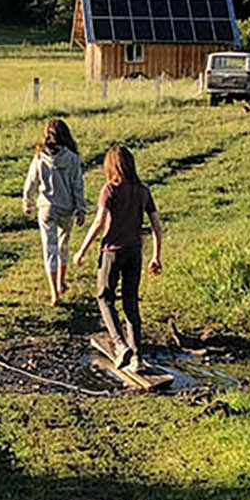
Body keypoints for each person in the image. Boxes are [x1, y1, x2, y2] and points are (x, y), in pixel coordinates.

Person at [72, 145, 163, 371]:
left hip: (112, 252)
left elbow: (99, 222)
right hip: (135, 251)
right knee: (131, 302)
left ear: (111, 166)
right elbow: (156, 226)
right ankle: (138, 358)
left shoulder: (110, 190)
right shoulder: (143, 190)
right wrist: (156, 256)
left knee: (105, 297)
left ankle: (120, 345)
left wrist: (81, 250)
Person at [21, 117, 86, 306]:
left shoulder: (40, 158)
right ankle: (61, 283)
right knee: (63, 246)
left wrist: (28, 203)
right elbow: (78, 185)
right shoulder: (73, 159)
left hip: (46, 208)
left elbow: (31, 182)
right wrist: (81, 209)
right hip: (67, 208)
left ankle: (54, 293)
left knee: (49, 248)